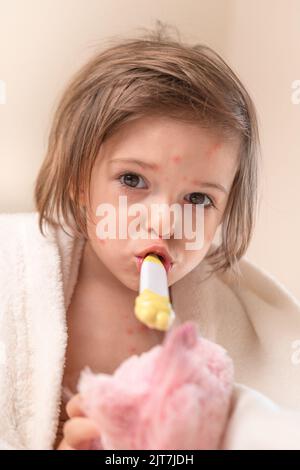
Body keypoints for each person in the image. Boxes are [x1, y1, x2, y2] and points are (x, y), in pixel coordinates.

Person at [1, 23, 300, 450]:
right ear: (78, 181)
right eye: (133, 179)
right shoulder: (13, 279)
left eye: (198, 198)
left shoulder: (240, 329)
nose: (164, 224)